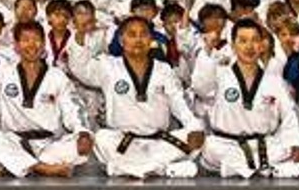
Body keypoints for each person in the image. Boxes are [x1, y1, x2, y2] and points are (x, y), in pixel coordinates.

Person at [76, 15, 204, 179]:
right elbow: (81, 68)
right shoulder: (108, 66)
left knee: (194, 138)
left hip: (160, 142)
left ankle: (125, 168)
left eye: (143, 34)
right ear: (121, 40)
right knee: (102, 138)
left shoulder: (163, 69)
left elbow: (179, 102)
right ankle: (162, 169)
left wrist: (193, 127)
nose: (138, 39)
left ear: (151, 40)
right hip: (123, 142)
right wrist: (80, 35)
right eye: (132, 34)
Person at [0, 20, 93, 178]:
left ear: (44, 44)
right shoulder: (4, 73)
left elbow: (73, 107)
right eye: (25, 40)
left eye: (37, 39)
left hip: (49, 145)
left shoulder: (57, 76)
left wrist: (83, 133)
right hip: (15, 142)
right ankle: (42, 168)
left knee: (81, 148)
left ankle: (19, 165)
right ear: (16, 46)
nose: (32, 45)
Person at [196, 19, 299, 179]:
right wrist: (207, 50)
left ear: (262, 45)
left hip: (264, 146)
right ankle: (265, 168)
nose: (249, 46)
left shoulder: (275, 81)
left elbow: (292, 115)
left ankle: (243, 168)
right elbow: (201, 87)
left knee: (286, 148)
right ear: (233, 46)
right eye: (243, 41)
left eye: (255, 40)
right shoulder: (219, 75)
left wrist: (297, 143)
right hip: (226, 145)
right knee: (211, 148)